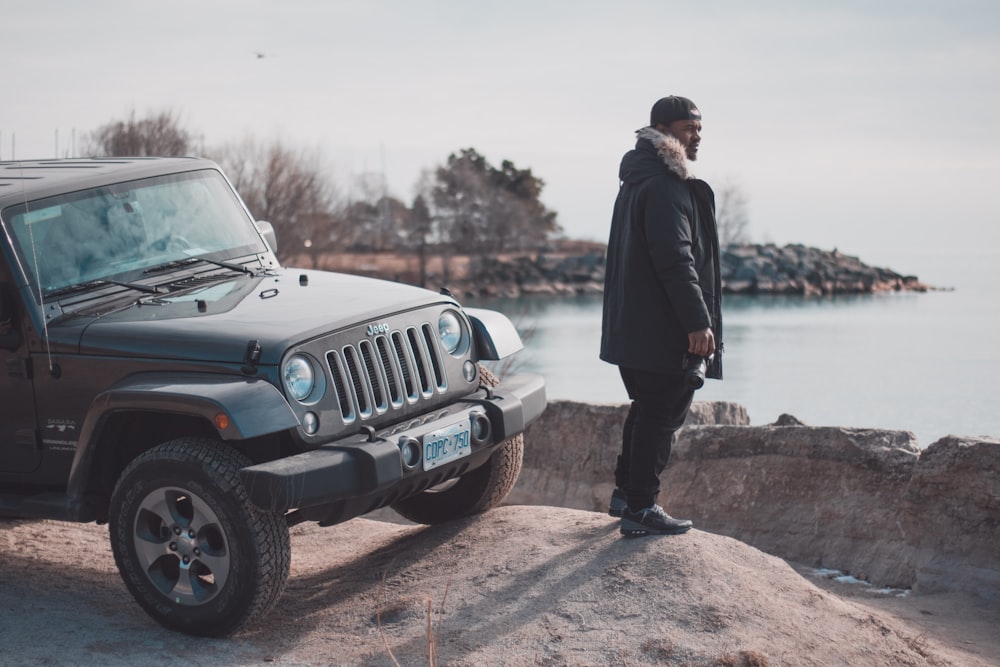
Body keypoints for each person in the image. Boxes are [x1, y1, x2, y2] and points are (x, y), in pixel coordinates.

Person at [600, 95, 723, 537]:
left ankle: (624, 495)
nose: (699, 135)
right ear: (666, 131)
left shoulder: (637, 180)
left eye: (699, 127)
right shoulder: (665, 186)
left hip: (635, 325)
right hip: (662, 327)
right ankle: (641, 508)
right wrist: (697, 321)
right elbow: (675, 260)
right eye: (691, 128)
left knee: (647, 408)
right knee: (663, 414)